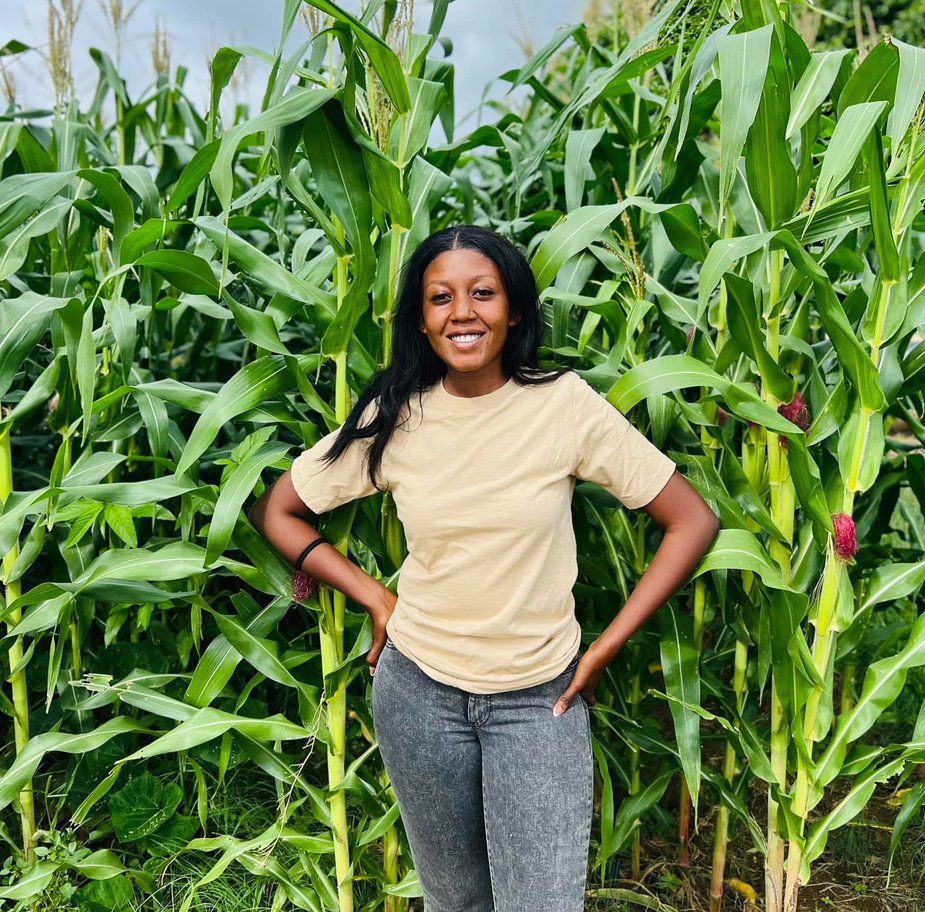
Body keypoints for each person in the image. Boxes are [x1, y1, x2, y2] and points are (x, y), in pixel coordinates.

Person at [248, 224, 720, 912]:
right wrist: (375, 598)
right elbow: (279, 511)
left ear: (516, 309)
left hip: (540, 699)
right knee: (456, 901)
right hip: (418, 694)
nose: (461, 312)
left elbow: (692, 520)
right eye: (439, 297)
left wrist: (606, 644)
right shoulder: (397, 414)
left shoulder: (563, 406)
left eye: (482, 293)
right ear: (420, 317)